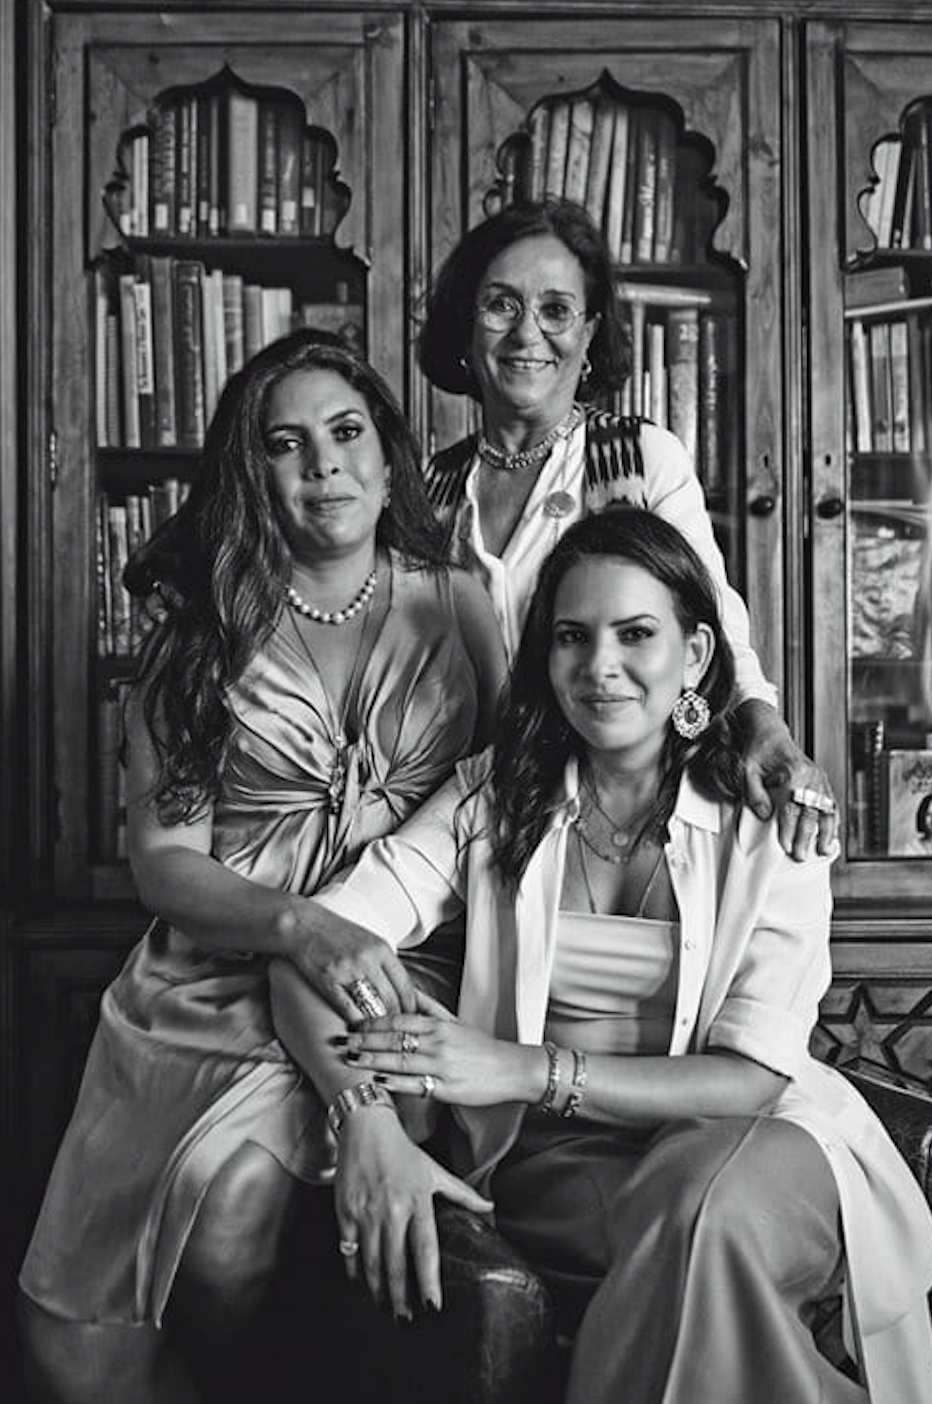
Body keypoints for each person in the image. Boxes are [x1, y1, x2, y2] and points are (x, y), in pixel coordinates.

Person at [275, 509, 932, 1404]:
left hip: (764, 1140)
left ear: (696, 656)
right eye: (572, 638)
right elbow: (315, 945)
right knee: (680, 1240)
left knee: (705, 1212)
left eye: (636, 634)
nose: (600, 666)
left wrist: (519, 1067)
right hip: (560, 1165)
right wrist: (367, 1122)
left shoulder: (773, 821)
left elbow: (747, 1077)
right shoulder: (492, 800)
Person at [18, 332, 506, 1404]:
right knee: (176, 1254)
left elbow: (528, 787)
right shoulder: (200, 632)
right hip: (218, 976)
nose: (323, 466)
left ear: (387, 456)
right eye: (286, 446)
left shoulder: (460, 602)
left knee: (238, 1203)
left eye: (345, 434)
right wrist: (295, 925)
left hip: (399, 967)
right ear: (255, 476)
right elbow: (164, 866)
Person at [418, 197, 837, 861]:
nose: (528, 334)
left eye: (556, 310)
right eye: (501, 305)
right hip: (455, 824)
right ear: (464, 327)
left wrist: (765, 729)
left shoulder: (638, 461)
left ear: (589, 335)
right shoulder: (427, 491)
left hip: (609, 821)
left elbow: (714, 624)